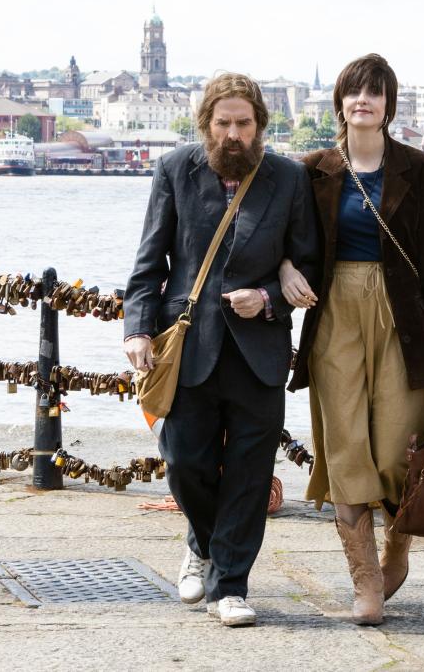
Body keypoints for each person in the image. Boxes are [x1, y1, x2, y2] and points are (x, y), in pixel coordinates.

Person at [123, 72, 319, 627]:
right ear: (206, 123)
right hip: (189, 346)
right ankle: (201, 542)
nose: (234, 134)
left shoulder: (286, 177)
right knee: (185, 461)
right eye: (223, 123)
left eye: (244, 123)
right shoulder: (174, 170)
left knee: (251, 472)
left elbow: (310, 264)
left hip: (259, 350)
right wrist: (137, 330)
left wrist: (267, 298)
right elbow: (150, 261)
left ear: (260, 124)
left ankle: (230, 585)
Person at [278, 54, 424, 625]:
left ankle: (397, 548)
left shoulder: (418, 169)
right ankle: (364, 581)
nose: (364, 101)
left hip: (403, 317)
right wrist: (285, 267)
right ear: (339, 103)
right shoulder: (312, 170)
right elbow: (276, 235)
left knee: (398, 448)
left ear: (388, 104)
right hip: (335, 315)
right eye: (354, 92)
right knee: (345, 449)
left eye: (375, 93)